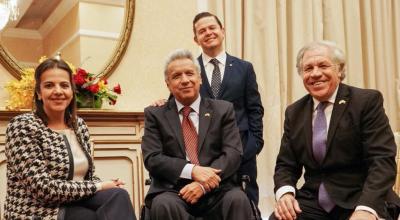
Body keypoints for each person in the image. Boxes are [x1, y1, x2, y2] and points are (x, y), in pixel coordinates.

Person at [271, 40, 400, 220]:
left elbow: (382, 160)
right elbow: (286, 164)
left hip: (362, 196)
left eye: (323, 65)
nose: (315, 74)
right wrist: (285, 193)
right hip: (314, 201)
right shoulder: (294, 112)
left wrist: (366, 208)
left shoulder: (366, 102)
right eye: (308, 68)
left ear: (339, 70)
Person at [4, 58, 136, 220]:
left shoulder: (79, 126)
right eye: (49, 85)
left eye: (64, 85)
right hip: (39, 210)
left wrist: (106, 184)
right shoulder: (23, 126)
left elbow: (87, 177)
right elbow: (43, 189)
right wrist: (99, 186)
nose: (58, 91)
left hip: (77, 200)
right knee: (91, 217)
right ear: (38, 92)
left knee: (117, 195)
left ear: (72, 91)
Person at [141, 49, 253, 220]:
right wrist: (192, 171)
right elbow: (152, 158)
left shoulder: (223, 109)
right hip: (174, 190)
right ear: (168, 84)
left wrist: (203, 184)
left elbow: (233, 153)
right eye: (177, 76)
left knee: (237, 199)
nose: (185, 80)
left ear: (200, 79)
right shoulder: (155, 114)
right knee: (163, 205)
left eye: (189, 73)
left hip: (217, 189)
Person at [193, 12, 264, 207]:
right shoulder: (190, 70)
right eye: (202, 31)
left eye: (212, 28)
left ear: (222, 31)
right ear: (196, 39)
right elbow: (179, 107)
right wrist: (161, 104)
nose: (208, 33)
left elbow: (255, 109)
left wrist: (254, 144)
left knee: (245, 206)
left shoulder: (244, 68)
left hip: (242, 153)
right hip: (202, 157)